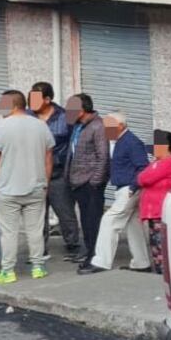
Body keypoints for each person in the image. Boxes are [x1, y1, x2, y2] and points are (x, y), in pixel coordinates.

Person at [0, 90, 56, 284]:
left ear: (12, 104)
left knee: (9, 232)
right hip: (36, 187)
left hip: (7, 189)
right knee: (35, 229)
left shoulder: (0, 127)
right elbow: (48, 157)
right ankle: (38, 267)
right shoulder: (41, 126)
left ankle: (8, 271)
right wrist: (45, 183)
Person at [79, 112, 151, 275]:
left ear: (119, 126)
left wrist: (133, 186)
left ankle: (101, 261)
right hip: (126, 188)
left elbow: (142, 166)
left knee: (109, 221)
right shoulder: (120, 141)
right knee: (133, 226)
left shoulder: (131, 142)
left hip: (129, 188)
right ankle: (141, 262)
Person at [30, 82, 83, 262]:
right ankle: (39, 250)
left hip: (59, 173)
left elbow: (76, 142)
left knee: (65, 212)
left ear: (48, 99)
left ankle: (74, 246)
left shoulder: (65, 117)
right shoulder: (28, 117)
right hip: (34, 173)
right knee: (37, 214)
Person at [65, 94, 109, 263]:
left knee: (92, 220)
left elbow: (103, 156)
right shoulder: (78, 126)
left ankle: (94, 255)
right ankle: (88, 250)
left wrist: (95, 181)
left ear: (82, 110)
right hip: (76, 181)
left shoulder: (98, 127)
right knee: (84, 219)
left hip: (90, 183)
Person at [137, 130, 171, 276]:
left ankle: (164, 275)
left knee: (161, 246)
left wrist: (145, 175)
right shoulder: (158, 162)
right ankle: (160, 273)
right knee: (156, 246)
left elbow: (144, 179)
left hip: (161, 211)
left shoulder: (169, 162)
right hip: (155, 211)